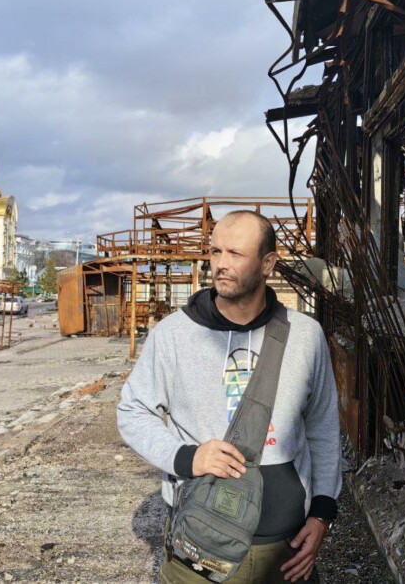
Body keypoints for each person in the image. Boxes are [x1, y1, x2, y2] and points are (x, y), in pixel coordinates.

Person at [117, 210, 341, 583]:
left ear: (268, 263)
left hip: (286, 552)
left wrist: (322, 513)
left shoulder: (306, 336)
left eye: (235, 254)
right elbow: (133, 410)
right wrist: (187, 456)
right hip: (200, 548)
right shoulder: (173, 335)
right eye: (216, 252)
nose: (221, 264)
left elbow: (323, 427)